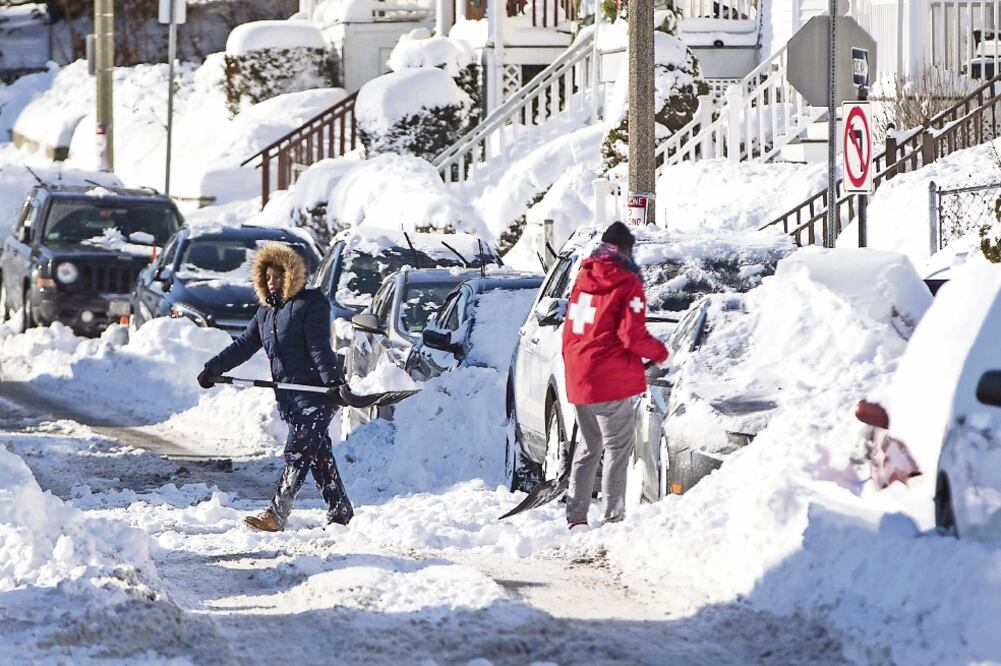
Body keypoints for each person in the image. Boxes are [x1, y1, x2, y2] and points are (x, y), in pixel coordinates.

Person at [197, 243, 353, 532]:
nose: (273, 283)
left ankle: (277, 514)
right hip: (291, 397)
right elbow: (244, 345)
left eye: (279, 276)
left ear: (293, 275)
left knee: (297, 452)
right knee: (318, 455)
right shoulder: (265, 314)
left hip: (317, 394)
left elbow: (319, 348)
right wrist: (214, 368)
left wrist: (333, 382)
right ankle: (340, 509)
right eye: (268, 278)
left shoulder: (311, 304)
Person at [561, 221, 668, 532]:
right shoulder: (627, 283)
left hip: (580, 375)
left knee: (588, 445)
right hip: (609, 379)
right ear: (626, 250)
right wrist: (662, 354)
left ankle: (577, 517)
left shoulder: (583, 278)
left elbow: (573, 328)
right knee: (617, 449)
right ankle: (612, 518)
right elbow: (632, 335)